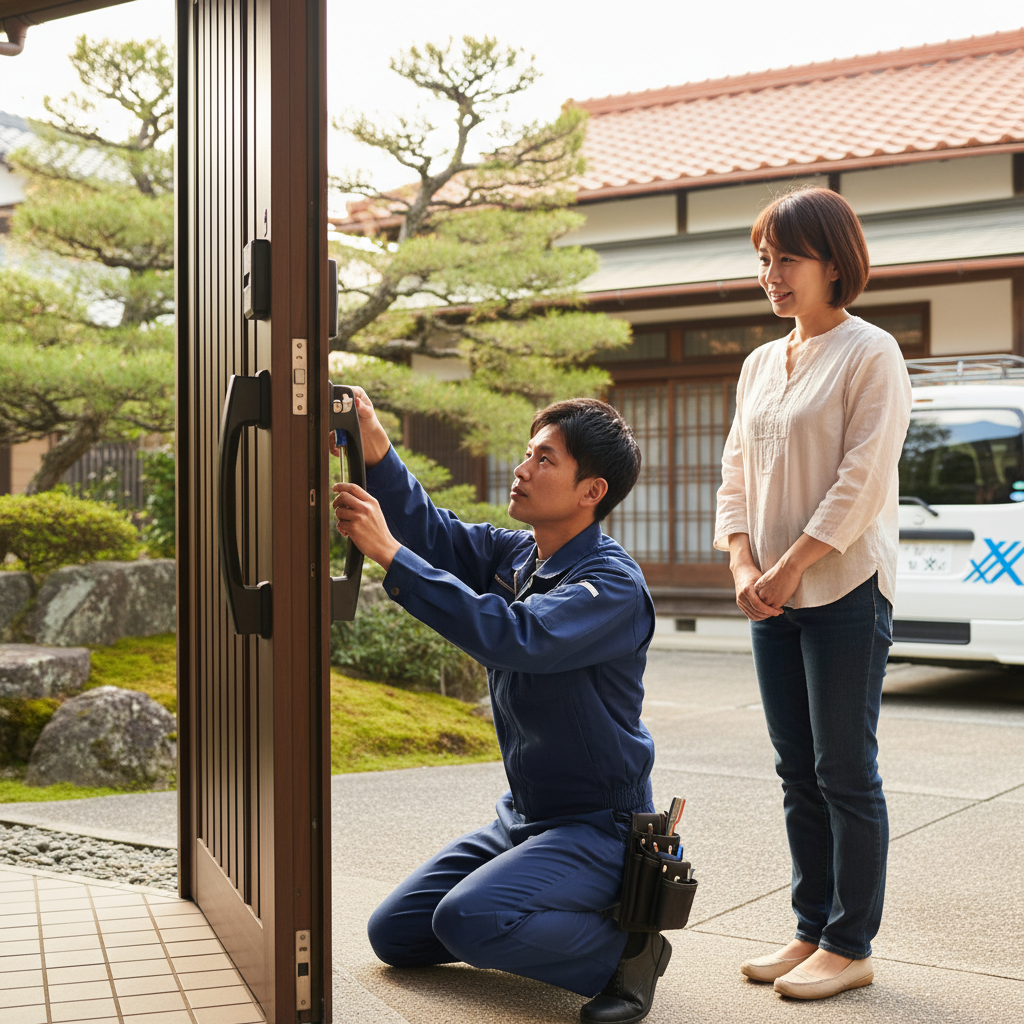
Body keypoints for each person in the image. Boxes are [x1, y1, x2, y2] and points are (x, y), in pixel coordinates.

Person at [332, 392, 670, 1024]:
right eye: (526, 453)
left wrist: (389, 555)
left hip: (600, 827)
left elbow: (520, 638)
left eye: (544, 459)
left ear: (590, 490)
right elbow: (434, 531)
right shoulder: (519, 555)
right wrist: (372, 439)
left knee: (467, 920)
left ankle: (626, 949)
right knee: (397, 936)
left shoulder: (611, 584)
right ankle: (545, 906)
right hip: (524, 817)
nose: (522, 468)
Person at [714, 186, 911, 1000]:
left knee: (843, 770)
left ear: (835, 263)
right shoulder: (762, 360)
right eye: (764, 260)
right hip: (769, 593)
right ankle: (809, 928)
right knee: (797, 768)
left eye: (786, 258)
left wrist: (789, 565)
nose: (771, 275)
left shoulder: (872, 352)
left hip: (844, 588)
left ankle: (850, 942)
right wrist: (739, 564)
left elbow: (861, 480)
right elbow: (733, 472)